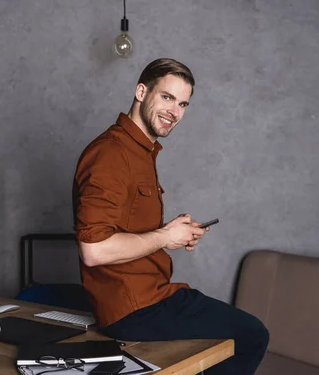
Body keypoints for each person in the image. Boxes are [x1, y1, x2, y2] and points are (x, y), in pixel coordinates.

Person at [72, 58, 269, 374]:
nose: (174, 111)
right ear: (141, 92)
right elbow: (94, 251)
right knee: (252, 335)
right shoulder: (111, 154)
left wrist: (174, 233)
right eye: (166, 97)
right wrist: (164, 237)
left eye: (183, 103)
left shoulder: (140, 152)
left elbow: (127, 227)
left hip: (148, 295)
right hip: (134, 307)